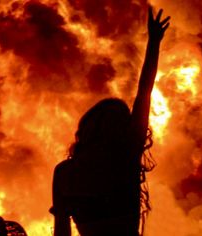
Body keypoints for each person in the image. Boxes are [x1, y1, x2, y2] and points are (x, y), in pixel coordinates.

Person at [50, 7, 170, 236]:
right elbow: (144, 93)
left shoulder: (65, 173)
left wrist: (154, 43)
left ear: (87, 128)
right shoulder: (125, 158)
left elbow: (61, 231)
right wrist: (154, 43)